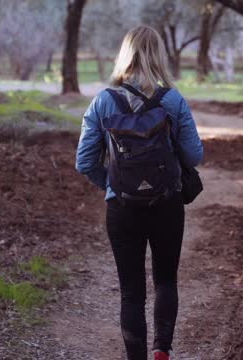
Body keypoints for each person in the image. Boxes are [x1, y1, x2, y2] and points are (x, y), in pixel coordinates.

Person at [75, 25, 203, 360]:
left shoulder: (103, 101)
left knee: (132, 294)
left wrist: (114, 186)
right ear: (159, 55)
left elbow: (84, 161)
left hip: (122, 210)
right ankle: (162, 349)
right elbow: (194, 156)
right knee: (165, 280)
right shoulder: (172, 100)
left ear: (125, 55)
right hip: (167, 203)